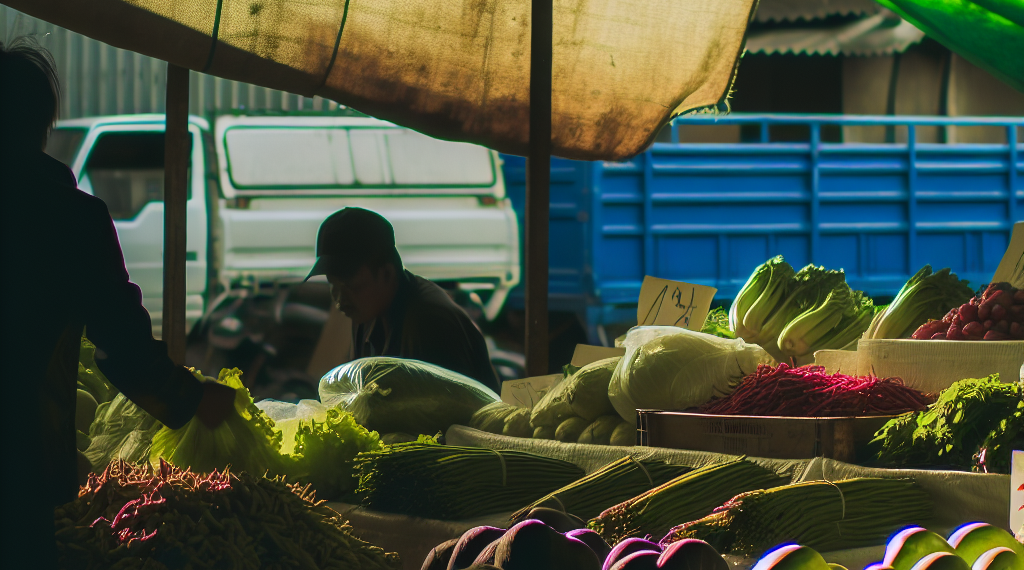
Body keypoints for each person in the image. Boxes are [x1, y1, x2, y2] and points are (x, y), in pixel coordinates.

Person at [0, 38, 237, 569]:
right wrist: (193, 397)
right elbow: (121, 344)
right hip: (16, 463)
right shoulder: (69, 217)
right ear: (43, 125)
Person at [306, 207, 501, 393]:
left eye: (351, 286)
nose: (340, 300)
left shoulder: (428, 324)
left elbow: (445, 419)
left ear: (387, 274)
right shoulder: (367, 311)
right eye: (333, 286)